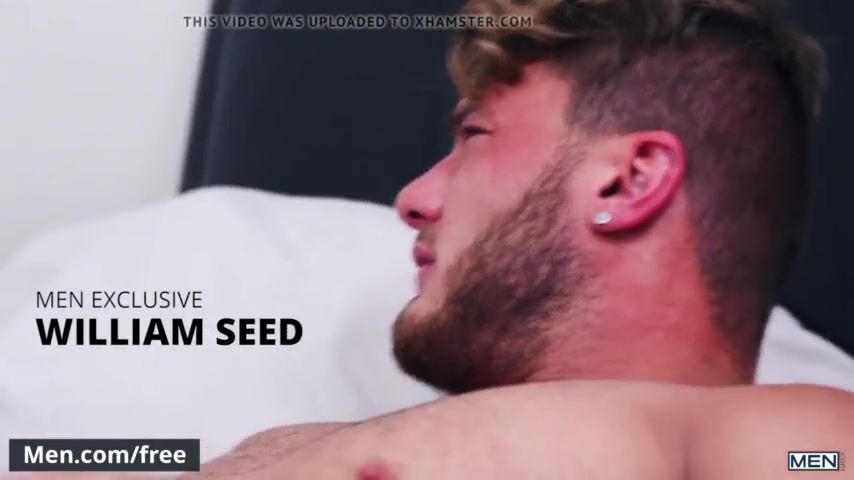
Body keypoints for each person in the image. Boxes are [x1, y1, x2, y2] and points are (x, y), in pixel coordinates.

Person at [29, 0, 854, 478]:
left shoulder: (796, 439)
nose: (414, 198)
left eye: (475, 137)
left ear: (627, 181)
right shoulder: (290, 442)